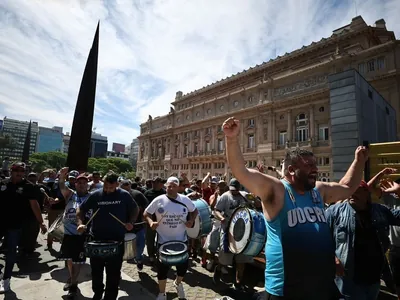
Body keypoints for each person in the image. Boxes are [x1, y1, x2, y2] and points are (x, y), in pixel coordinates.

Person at [222, 117, 368, 300]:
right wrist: (232, 139)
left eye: (315, 164)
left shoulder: (318, 191)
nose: (315, 169)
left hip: (322, 285)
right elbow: (241, 172)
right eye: (308, 165)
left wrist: (359, 162)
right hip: (285, 290)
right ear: (291, 170)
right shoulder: (277, 190)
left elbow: (347, 187)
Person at [77, 172, 138, 300]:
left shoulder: (124, 195)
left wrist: (131, 222)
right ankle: (97, 293)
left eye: (111, 187)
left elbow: (135, 209)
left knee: (113, 273)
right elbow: (81, 209)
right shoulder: (96, 195)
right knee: (96, 271)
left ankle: (110, 297)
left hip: (116, 240)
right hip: (97, 238)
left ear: (117, 184)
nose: (108, 190)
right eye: (106, 187)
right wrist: (81, 223)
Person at [144, 176, 198, 300]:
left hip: (181, 241)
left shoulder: (185, 199)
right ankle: (162, 293)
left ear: (178, 187)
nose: (171, 188)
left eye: (174, 186)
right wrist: (151, 222)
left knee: (182, 269)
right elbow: (146, 213)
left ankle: (178, 283)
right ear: (165, 186)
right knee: (162, 270)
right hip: (163, 241)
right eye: (169, 186)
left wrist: (191, 220)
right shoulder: (159, 200)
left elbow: (194, 211)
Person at [0, 162, 47, 293]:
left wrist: (41, 222)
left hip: (15, 224)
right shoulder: (3, 183)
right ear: (11, 170)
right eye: (16, 170)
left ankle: (6, 279)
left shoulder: (28, 187)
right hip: (0, 222)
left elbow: (35, 205)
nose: (19, 173)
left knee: (11, 252)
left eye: (22, 171)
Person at [56, 167, 91, 299]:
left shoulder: (92, 197)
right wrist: (62, 176)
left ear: (87, 184)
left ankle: (73, 287)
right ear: (75, 184)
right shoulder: (70, 194)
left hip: (81, 235)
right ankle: (72, 279)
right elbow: (61, 185)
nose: (81, 185)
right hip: (68, 233)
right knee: (69, 260)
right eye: (79, 183)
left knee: (77, 261)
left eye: (84, 183)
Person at [213, 178, 254, 290]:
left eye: (236, 190)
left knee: (242, 259)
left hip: (243, 232)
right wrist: (221, 218)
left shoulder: (245, 195)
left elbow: (257, 203)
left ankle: (238, 282)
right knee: (225, 257)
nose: (234, 192)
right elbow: (216, 210)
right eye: (232, 189)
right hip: (228, 231)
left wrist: (255, 199)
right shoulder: (225, 196)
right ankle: (219, 268)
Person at [119, 179, 148, 270]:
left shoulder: (138, 194)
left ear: (130, 186)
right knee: (121, 250)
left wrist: (145, 216)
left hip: (138, 225)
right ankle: (118, 268)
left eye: (127, 186)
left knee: (140, 246)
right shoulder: (117, 195)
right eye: (124, 187)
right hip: (122, 227)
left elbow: (147, 206)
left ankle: (139, 259)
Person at [144, 177, 166, 264]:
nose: (154, 184)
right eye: (153, 182)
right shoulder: (147, 193)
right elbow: (145, 207)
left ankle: (161, 254)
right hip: (151, 220)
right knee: (150, 239)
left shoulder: (165, 193)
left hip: (162, 221)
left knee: (162, 238)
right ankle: (151, 256)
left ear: (161, 184)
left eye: (156, 182)